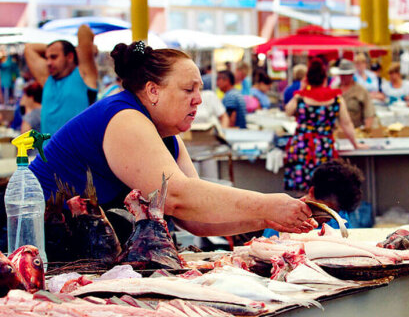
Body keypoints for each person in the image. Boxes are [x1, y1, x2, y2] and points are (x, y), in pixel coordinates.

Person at [29, 41, 315, 240]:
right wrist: (267, 205)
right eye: (188, 89)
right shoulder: (124, 117)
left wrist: (270, 220)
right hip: (30, 241)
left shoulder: (168, 136)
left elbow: (194, 217)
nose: (199, 99)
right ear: (153, 90)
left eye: (199, 89)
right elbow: (177, 197)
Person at [284, 59, 362, 192]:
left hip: (302, 147)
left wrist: (301, 89)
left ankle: (304, 213)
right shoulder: (336, 98)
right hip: (324, 146)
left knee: (303, 191)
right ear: (325, 79)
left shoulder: (301, 98)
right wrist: (355, 144)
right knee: (325, 189)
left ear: (307, 79)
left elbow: (288, 111)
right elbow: (346, 123)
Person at [24, 24, 98, 135]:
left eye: (54, 57)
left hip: (76, 152)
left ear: (70, 57)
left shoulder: (83, 75)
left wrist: (72, 49)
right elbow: (29, 48)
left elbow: (84, 30)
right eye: (47, 57)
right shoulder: (47, 79)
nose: (48, 62)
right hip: (47, 151)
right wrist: (54, 48)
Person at [263, 159, 364, 238]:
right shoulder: (284, 218)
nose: (328, 217)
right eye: (325, 210)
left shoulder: (340, 218)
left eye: (334, 213)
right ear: (311, 192)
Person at [336, 59, 375, 129]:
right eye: (342, 75)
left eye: (346, 75)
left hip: (356, 130)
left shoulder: (361, 91)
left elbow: (369, 113)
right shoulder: (334, 90)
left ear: (352, 75)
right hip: (337, 131)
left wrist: (366, 131)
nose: (343, 77)